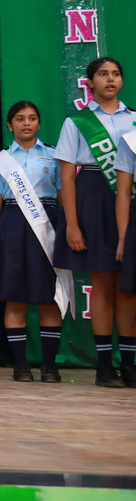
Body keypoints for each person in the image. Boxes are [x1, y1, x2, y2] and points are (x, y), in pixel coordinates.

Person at [54, 57, 135, 388]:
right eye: (103, 74)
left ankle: (128, 364)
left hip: (130, 201)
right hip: (92, 199)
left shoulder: (134, 120)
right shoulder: (77, 122)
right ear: (91, 82)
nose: (110, 79)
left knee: (129, 289)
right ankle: (104, 366)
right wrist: (72, 224)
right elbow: (65, 177)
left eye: (115, 74)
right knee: (102, 285)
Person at [0, 101, 64, 383]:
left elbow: (64, 197)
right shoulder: (0, 160)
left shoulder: (54, 156)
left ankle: (50, 366)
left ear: (39, 124)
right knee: (14, 298)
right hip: (12, 226)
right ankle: (20, 366)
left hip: (47, 225)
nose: (26, 123)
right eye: (20, 119)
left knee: (49, 298)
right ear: (10, 125)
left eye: (32, 119)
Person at [116, 122, 136, 387]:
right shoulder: (131, 140)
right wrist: (122, 238)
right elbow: (122, 192)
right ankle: (129, 366)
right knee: (131, 295)